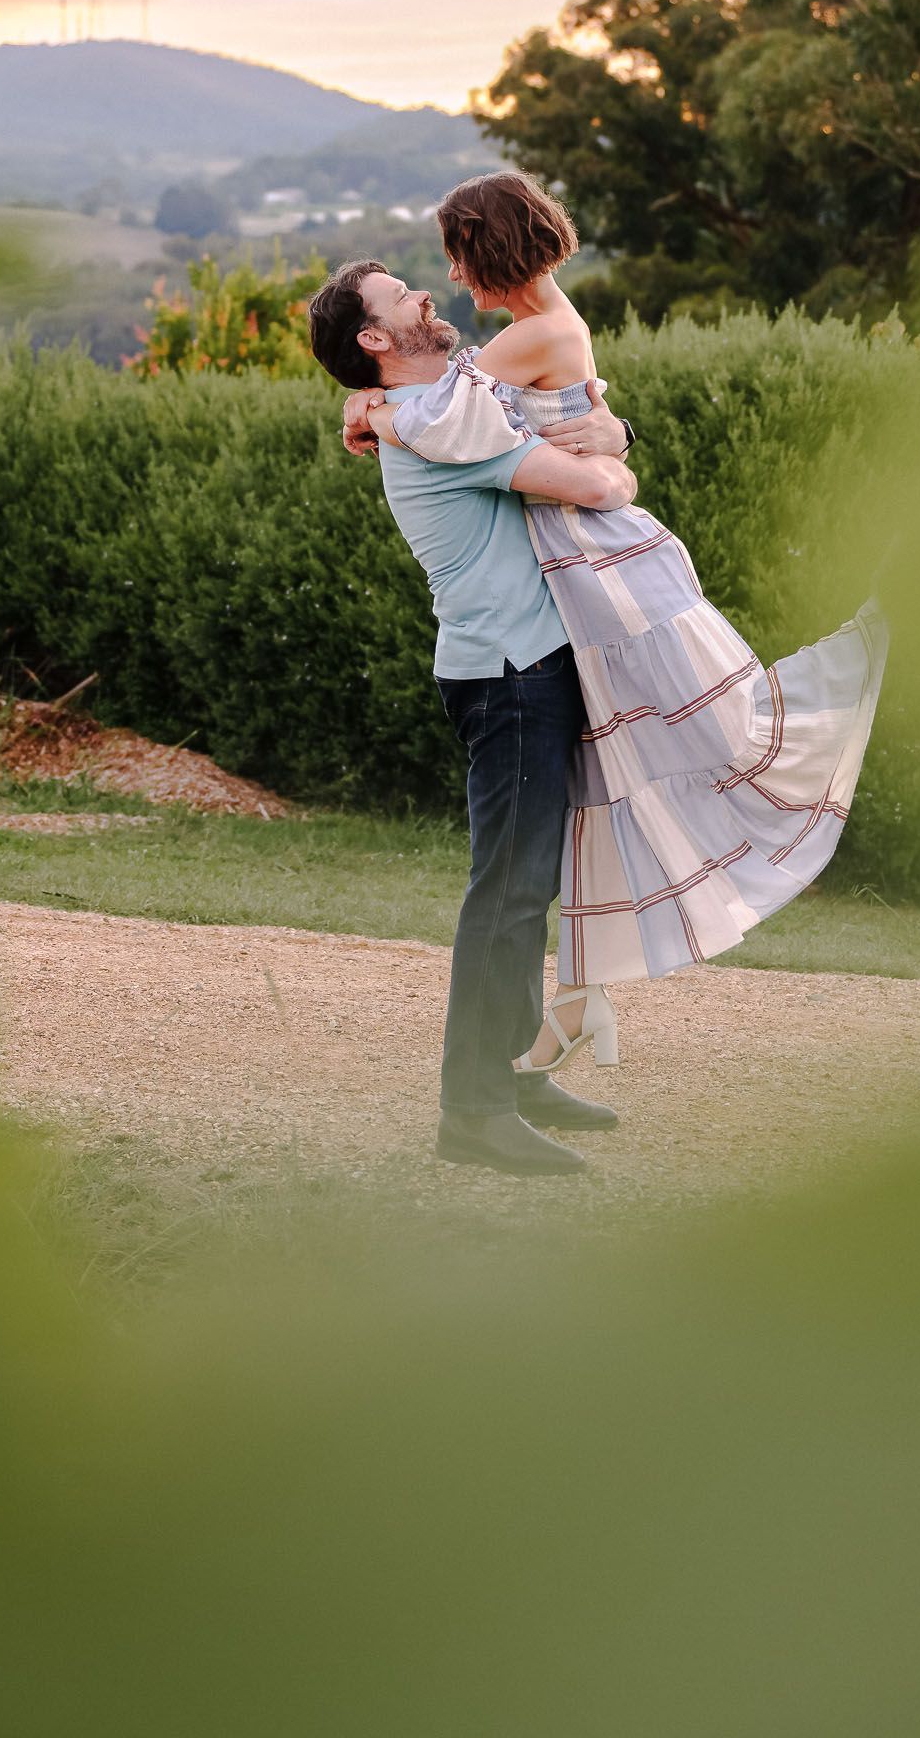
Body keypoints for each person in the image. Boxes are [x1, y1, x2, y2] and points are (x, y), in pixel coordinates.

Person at [337, 172, 888, 1088]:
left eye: (456, 258)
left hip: (592, 585)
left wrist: (370, 408)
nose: (446, 280)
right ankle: (529, 1050)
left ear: (490, 249)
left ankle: (529, 1056)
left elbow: (461, 418)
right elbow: (505, 434)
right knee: (576, 824)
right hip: (543, 621)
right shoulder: (519, 350)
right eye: (413, 286)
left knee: (652, 770)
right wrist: (604, 438)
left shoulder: (523, 344)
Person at [308, 254, 638, 1178]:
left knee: (526, 887)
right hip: (508, 675)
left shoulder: (437, 406)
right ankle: (473, 1111)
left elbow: (565, 415)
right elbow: (597, 487)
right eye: (399, 296)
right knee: (506, 890)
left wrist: (610, 430)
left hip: (524, 666)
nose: (424, 292)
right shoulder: (431, 426)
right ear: (375, 337)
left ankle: (515, 1075)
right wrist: (612, 461)